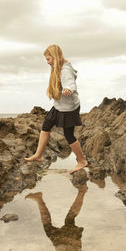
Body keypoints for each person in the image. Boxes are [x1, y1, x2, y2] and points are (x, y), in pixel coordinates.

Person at [24, 44, 88, 174]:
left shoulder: (65, 70)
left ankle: (82, 161)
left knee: (68, 135)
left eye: (48, 59)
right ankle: (38, 155)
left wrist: (68, 88)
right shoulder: (56, 68)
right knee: (46, 126)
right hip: (59, 106)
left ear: (55, 56)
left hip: (69, 108)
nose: (47, 62)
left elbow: (70, 82)